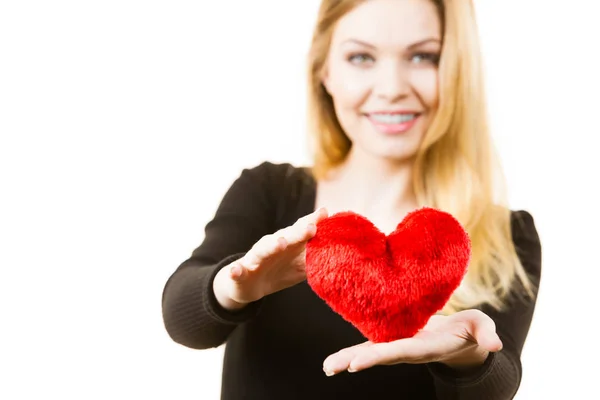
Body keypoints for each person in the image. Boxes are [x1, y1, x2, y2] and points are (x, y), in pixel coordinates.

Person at [161, 0, 542, 399]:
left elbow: (497, 382)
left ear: (458, 70)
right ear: (324, 70)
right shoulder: (270, 192)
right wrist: (231, 289)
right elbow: (183, 318)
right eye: (361, 57)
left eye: (423, 56)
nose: (392, 88)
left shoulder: (507, 235)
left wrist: (469, 356)